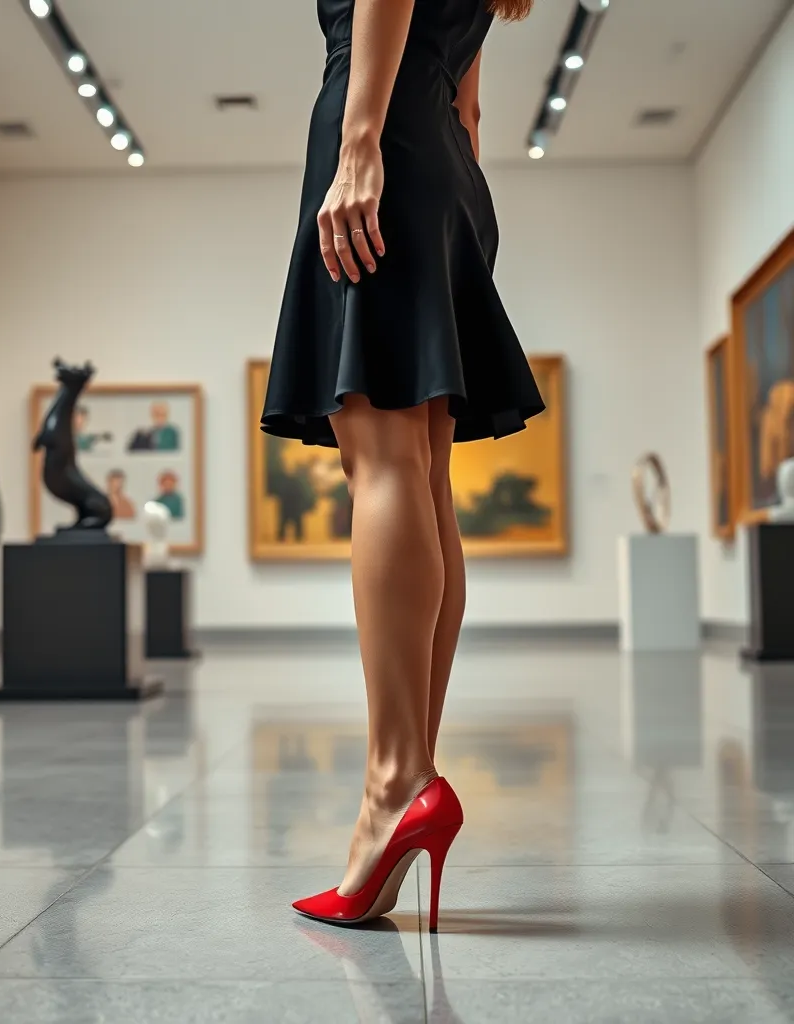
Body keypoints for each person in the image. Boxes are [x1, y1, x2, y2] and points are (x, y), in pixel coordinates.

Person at [261, 0, 545, 930]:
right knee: (420, 475)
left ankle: (395, 782)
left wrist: (358, 143)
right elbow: (468, 106)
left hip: (382, 131)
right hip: (446, 162)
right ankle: (403, 782)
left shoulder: (365, 135)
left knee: (381, 462)